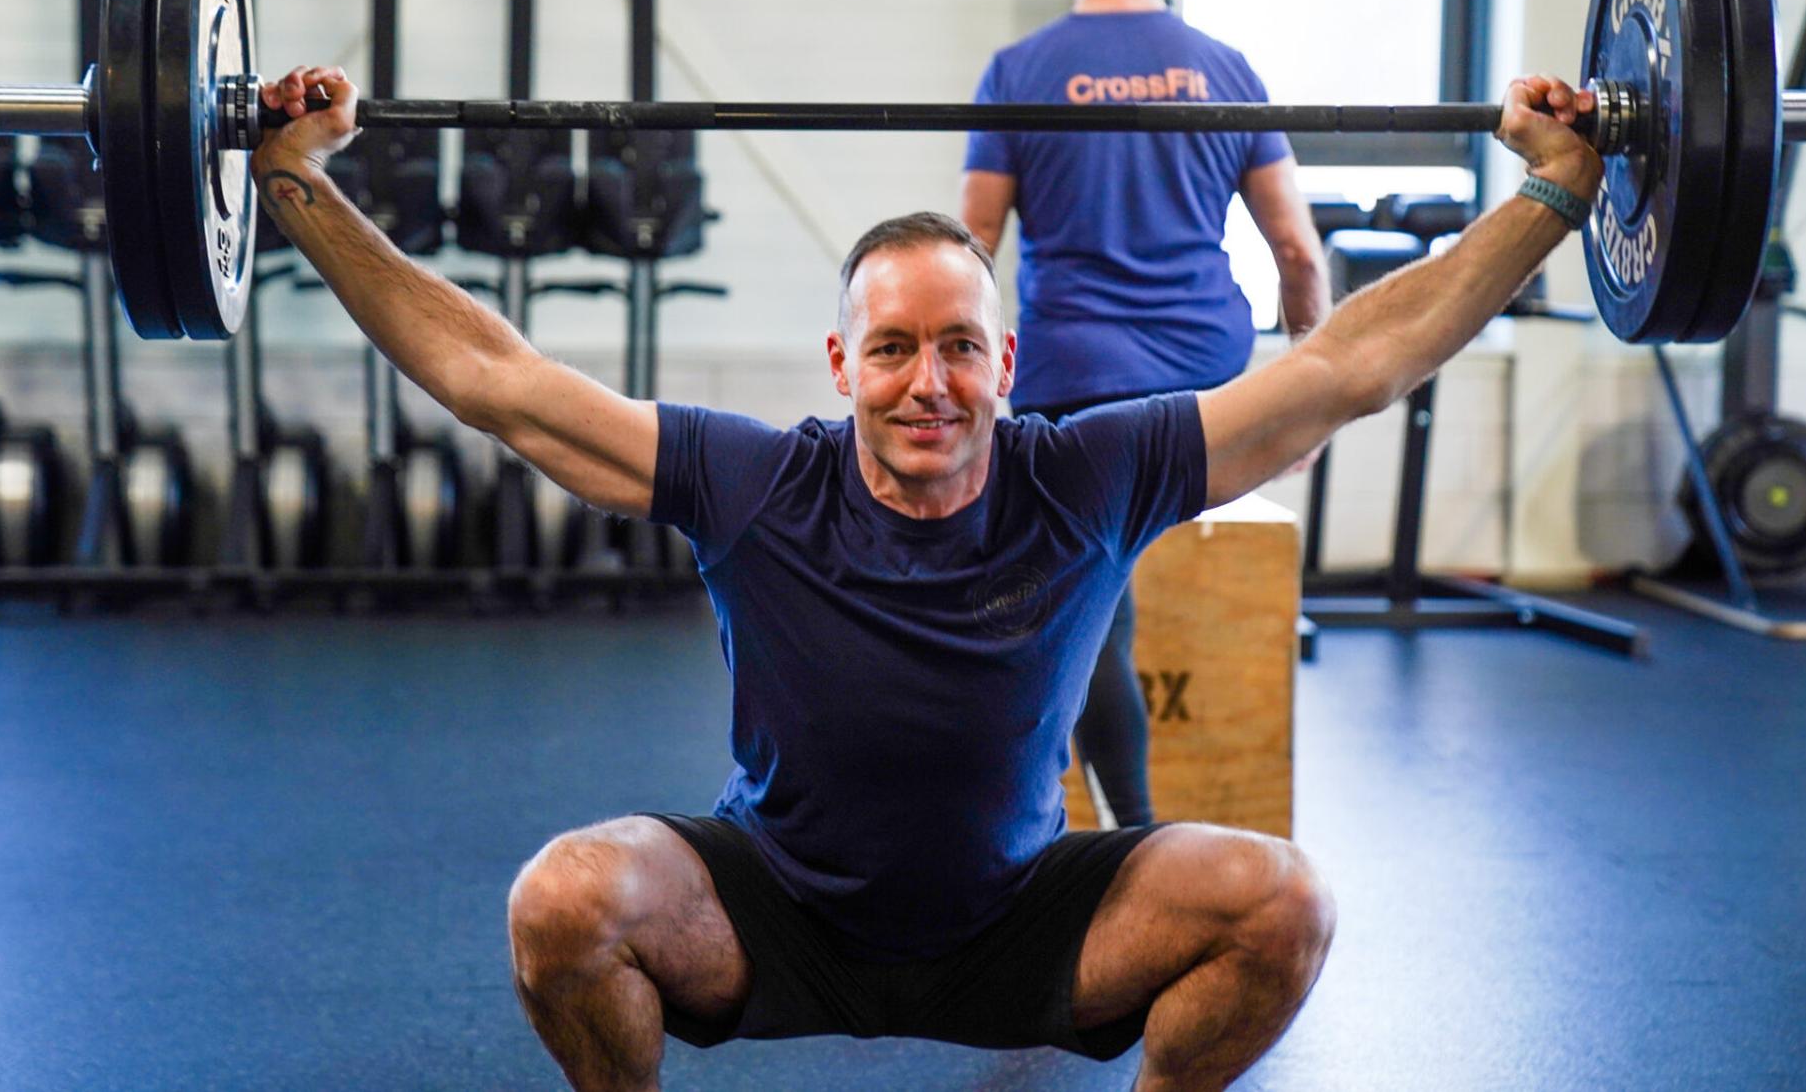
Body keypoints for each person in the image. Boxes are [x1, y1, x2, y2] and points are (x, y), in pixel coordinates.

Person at [250, 63, 1601, 1092]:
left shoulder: (1089, 469)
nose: (928, 382)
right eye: (890, 347)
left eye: (961, 346)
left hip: (1024, 916)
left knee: (1283, 899)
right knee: (561, 898)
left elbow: (1343, 369)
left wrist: (1551, 195)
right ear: (841, 367)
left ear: (1006, 366)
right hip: (768, 903)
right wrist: (297, 181)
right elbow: (497, 381)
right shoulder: (752, 480)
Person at [962, 0, 1330, 828]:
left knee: (1093, 615)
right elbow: (1297, 253)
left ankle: (1132, 839)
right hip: (1207, 387)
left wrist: (968, 396)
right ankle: (1129, 836)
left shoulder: (1018, 72)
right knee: (1103, 592)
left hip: (1074, 382)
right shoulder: (1227, 68)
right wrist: (1305, 402)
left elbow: (969, 252)